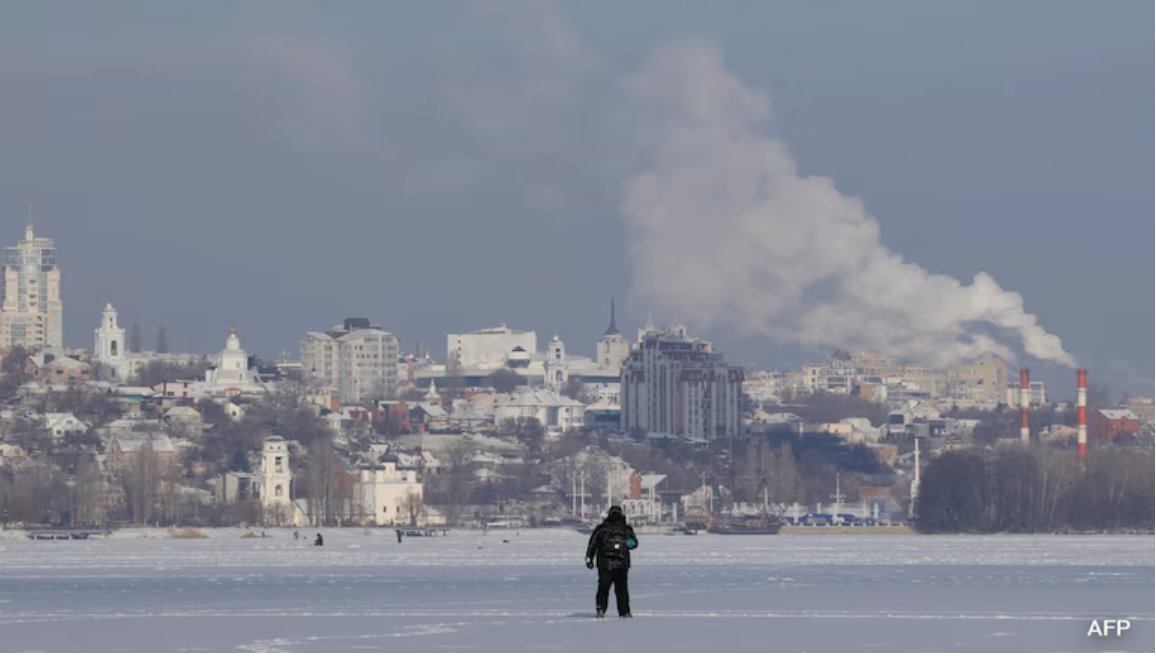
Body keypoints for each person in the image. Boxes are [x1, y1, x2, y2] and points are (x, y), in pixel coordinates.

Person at [584, 505, 638, 619]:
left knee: (603, 588)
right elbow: (634, 544)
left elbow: (592, 544)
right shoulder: (626, 529)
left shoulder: (601, 529)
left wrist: (589, 558)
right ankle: (624, 612)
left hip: (604, 564)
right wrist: (623, 545)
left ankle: (600, 609)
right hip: (622, 564)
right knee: (622, 589)